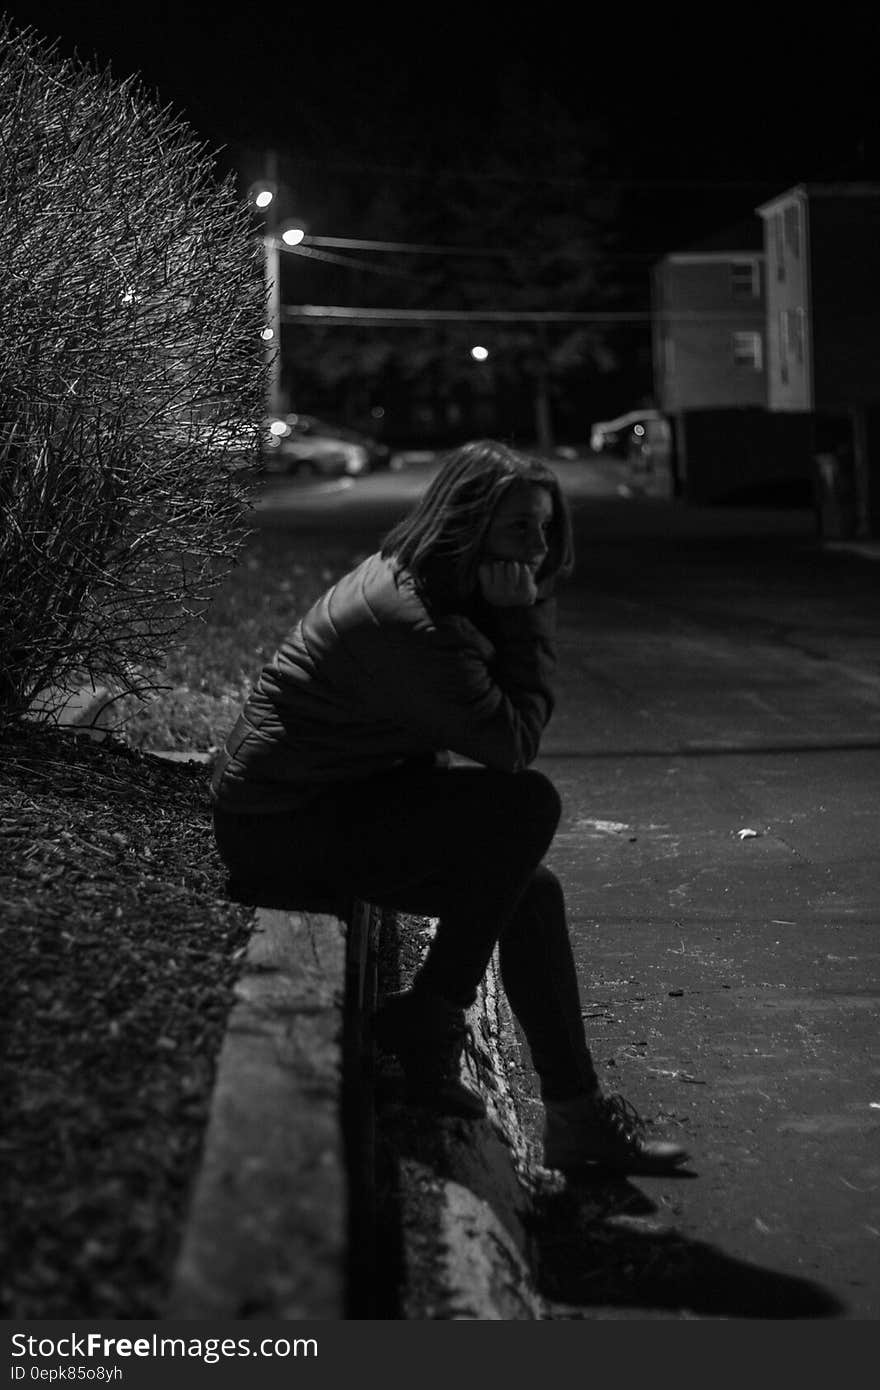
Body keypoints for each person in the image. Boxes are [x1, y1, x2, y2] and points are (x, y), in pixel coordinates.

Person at [211, 439, 687, 1175]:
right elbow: (509, 742)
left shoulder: (432, 587)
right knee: (527, 806)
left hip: (327, 800)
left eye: (545, 527)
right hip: (282, 825)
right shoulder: (412, 620)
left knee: (530, 891)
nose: (539, 547)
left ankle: (574, 1115)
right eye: (519, 529)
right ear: (468, 526)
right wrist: (524, 623)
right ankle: (433, 1018)